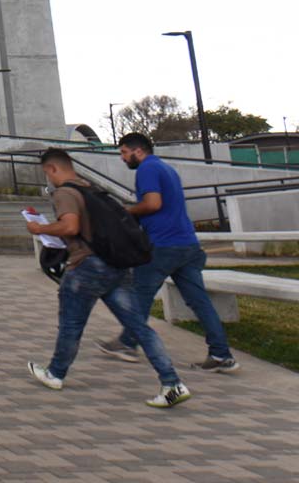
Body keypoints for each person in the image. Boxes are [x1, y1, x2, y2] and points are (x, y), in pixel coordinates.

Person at [25, 148, 190, 408]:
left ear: (52, 169)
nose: (49, 178)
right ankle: (172, 382)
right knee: (139, 327)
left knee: (71, 325)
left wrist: (39, 228)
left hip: (86, 267)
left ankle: (56, 373)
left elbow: (70, 227)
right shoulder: (93, 190)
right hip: (116, 265)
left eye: (47, 173)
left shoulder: (65, 193)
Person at [99, 133, 239, 373]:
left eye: (124, 153)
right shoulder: (166, 169)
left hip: (163, 245)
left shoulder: (147, 170)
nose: (122, 159)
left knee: (140, 295)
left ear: (138, 151)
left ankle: (127, 344)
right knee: (199, 301)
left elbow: (153, 204)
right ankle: (221, 355)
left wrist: (126, 212)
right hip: (187, 244)